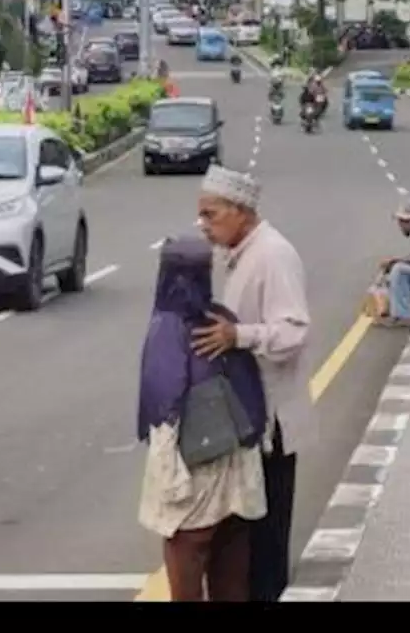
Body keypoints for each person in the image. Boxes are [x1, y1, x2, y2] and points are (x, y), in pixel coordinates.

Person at [193, 165, 311, 599]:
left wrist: (237, 336)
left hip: (271, 424)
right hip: (245, 421)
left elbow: (294, 331)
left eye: (211, 215)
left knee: (266, 543)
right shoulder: (240, 254)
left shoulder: (273, 256)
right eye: (201, 216)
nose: (204, 225)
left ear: (241, 211)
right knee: (244, 539)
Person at [137, 235, 269, 602]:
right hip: (236, 465)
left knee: (187, 562)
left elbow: (163, 402)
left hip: (194, 467)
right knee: (232, 574)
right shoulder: (222, 319)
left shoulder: (168, 326)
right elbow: (249, 387)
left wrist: (169, 477)